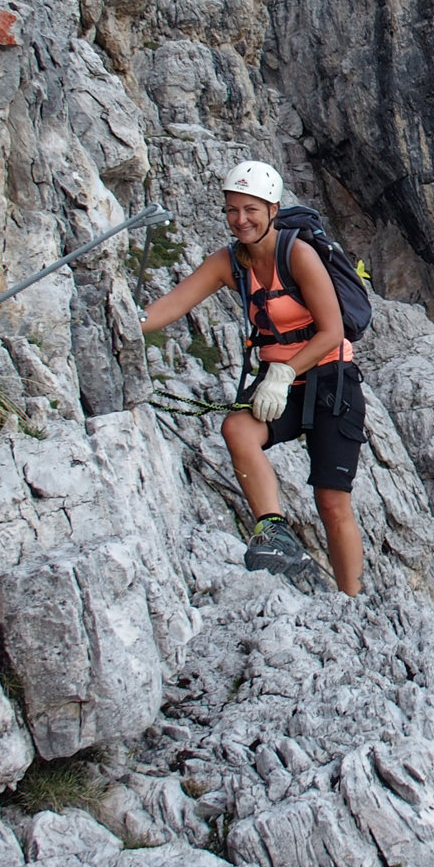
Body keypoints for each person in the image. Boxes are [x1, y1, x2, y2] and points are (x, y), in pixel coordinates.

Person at [140, 161, 366, 594]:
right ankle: (274, 531)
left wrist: (283, 373)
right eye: (231, 210)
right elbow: (174, 304)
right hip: (280, 380)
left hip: (330, 378)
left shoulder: (297, 254)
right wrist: (129, 321)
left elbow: (332, 330)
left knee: (332, 501)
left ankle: (351, 600)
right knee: (238, 428)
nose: (240, 219)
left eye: (251, 209)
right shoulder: (231, 262)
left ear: (273, 209)